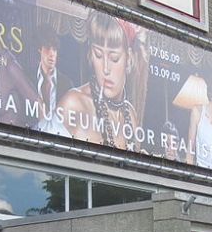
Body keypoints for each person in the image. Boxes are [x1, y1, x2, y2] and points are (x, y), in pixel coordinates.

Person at [57, 11, 147, 151]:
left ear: (128, 58)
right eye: (98, 55)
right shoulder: (73, 104)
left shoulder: (130, 114)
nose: (106, 69)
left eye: (114, 58)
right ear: (90, 55)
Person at [32, 24, 73, 135]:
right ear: (39, 49)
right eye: (47, 48)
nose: (52, 54)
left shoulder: (66, 83)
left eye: (54, 49)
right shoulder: (29, 77)